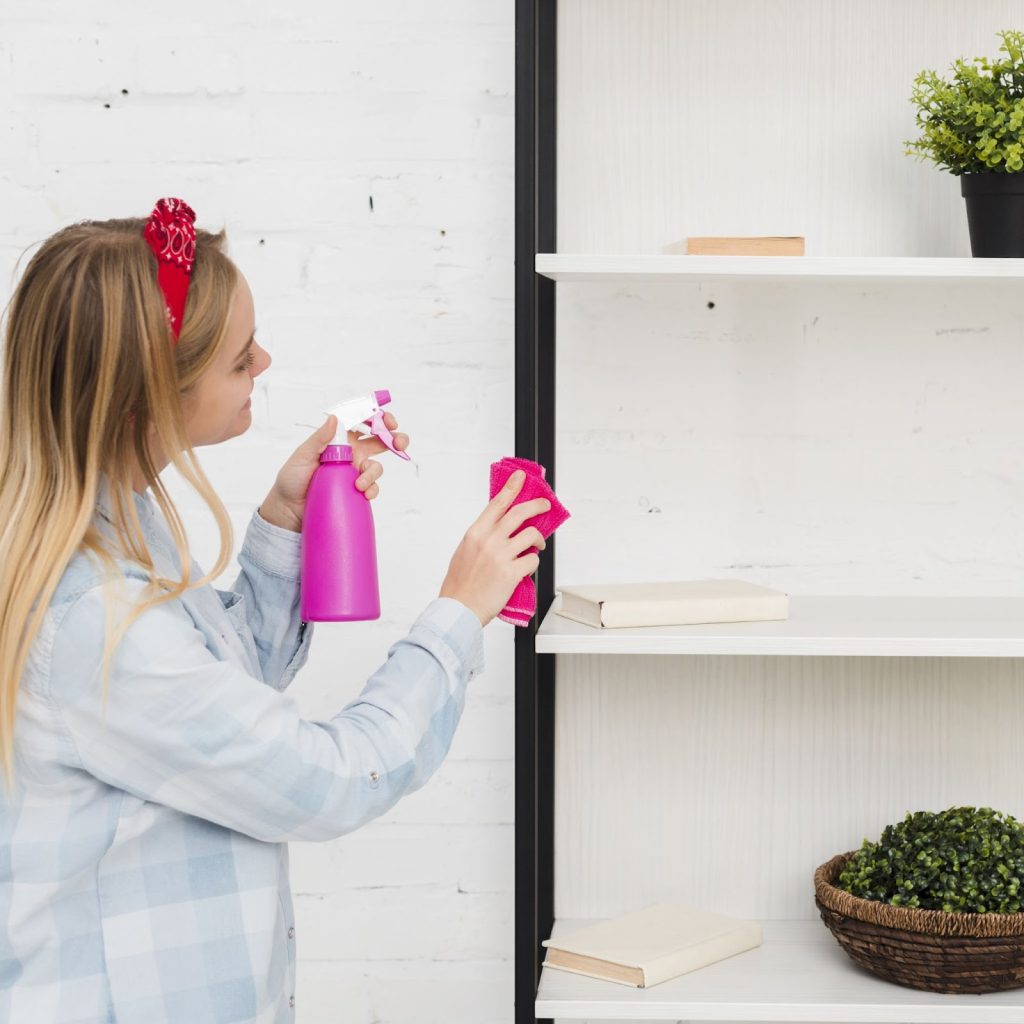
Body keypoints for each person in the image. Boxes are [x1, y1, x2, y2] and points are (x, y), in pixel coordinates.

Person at [0, 198, 549, 1024]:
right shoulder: (95, 622)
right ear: (146, 400)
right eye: (235, 359)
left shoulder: (117, 530)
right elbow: (330, 780)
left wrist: (287, 520)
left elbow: (215, 696)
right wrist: (457, 611)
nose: (264, 360)